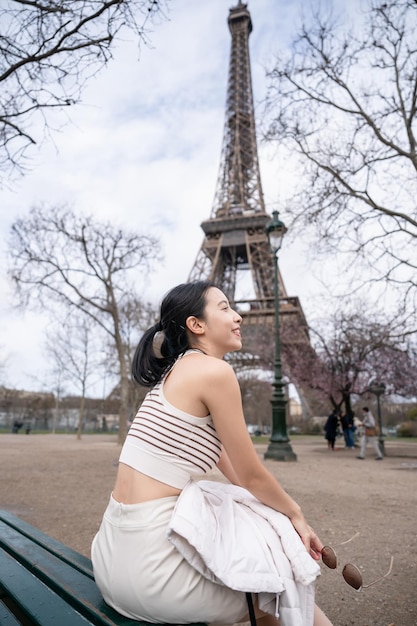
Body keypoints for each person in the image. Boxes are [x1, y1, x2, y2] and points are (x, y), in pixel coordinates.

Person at [91, 281, 333, 626]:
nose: (237, 316)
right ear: (196, 324)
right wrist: (296, 515)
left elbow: (237, 472)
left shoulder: (171, 376)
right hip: (151, 575)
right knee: (283, 589)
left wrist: (276, 516)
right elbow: (251, 475)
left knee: (262, 574)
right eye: (224, 308)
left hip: (113, 559)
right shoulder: (214, 372)